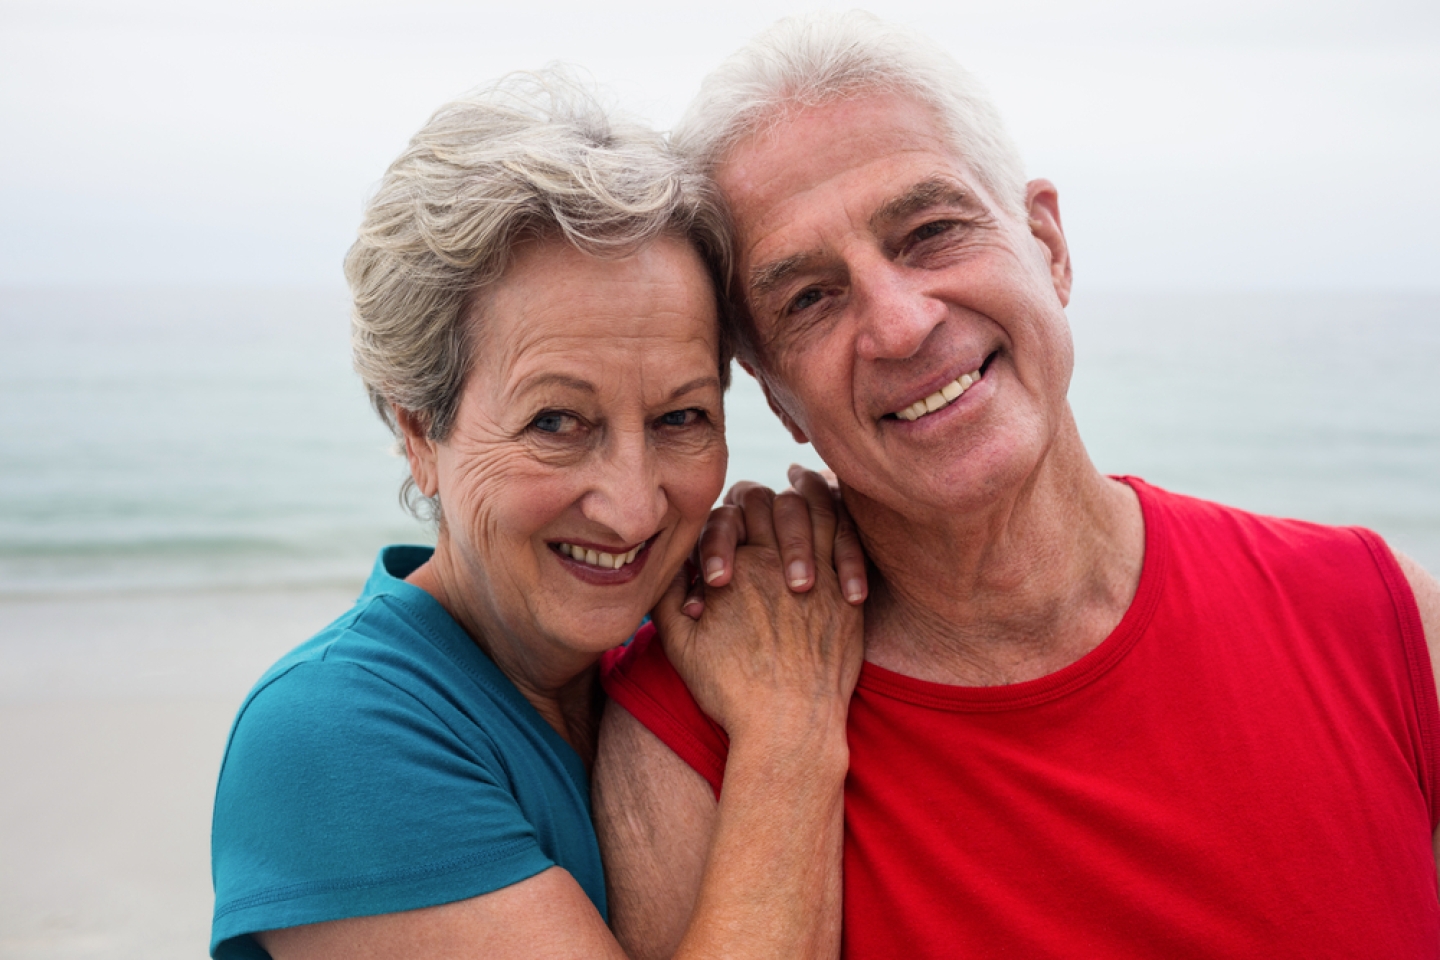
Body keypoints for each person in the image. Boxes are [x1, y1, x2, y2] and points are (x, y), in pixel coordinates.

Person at [595, 12, 1440, 958]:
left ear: (1049, 244)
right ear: (778, 397)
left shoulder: (1380, 616)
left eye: (930, 231)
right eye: (809, 298)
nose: (903, 324)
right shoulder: (689, 739)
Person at [209, 69, 864, 960]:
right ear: (419, 433)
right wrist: (791, 733)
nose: (633, 505)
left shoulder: (689, 654)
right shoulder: (330, 736)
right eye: (557, 422)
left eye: (681, 418)